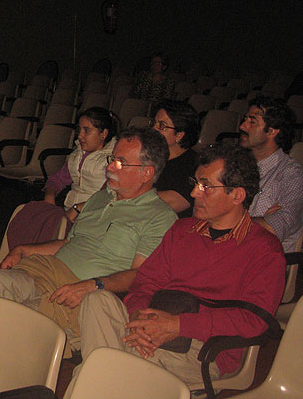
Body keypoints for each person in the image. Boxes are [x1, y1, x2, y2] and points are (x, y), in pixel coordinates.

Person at [64, 143, 286, 396]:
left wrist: (177, 326)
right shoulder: (183, 231)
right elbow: (145, 282)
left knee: (102, 364)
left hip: (203, 346)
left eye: (205, 186)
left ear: (237, 195)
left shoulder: (264, 250)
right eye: (195, 182)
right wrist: (139, 317)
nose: (193, 193)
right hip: (153, 324)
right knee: (97, 301)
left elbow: (254, 321)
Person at [0, 127, 177, 355]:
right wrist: (26, 250)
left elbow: (141, 275)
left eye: (120, 162)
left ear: (146, 173)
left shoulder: (160, 217)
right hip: (44, 273)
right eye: (112, 159)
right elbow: (70, 244)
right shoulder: (100, 198)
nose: (109, 167)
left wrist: (95, 284)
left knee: (6, 318)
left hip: (78, 292)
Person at [5, 107, 118, 250]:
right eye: (79, 130)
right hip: (69, 213)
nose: (80, 136)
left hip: (95, 217)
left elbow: (109, 193)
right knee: (29, 216)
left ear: (104, 134)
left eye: (86, 130)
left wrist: (78, 209)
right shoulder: (77, 155)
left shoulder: (112, 160)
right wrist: (50, 196)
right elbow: (57, 179)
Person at [239, 96, 303, 252]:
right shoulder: (236, 164)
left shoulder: (291, 175)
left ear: (272, 131)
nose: (242, 126)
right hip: (229, 249)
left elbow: (274, 227)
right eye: (245, 119)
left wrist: (227, 219)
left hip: (263, 259)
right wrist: (257, 220)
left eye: (252, 122)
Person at [151, 100, 201, 217]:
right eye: (154, 123)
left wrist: (129, 195)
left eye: (161, 126)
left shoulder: (193, 163)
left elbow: (175, 202)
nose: (153, 129)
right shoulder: (150, 155)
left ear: (179, 135)